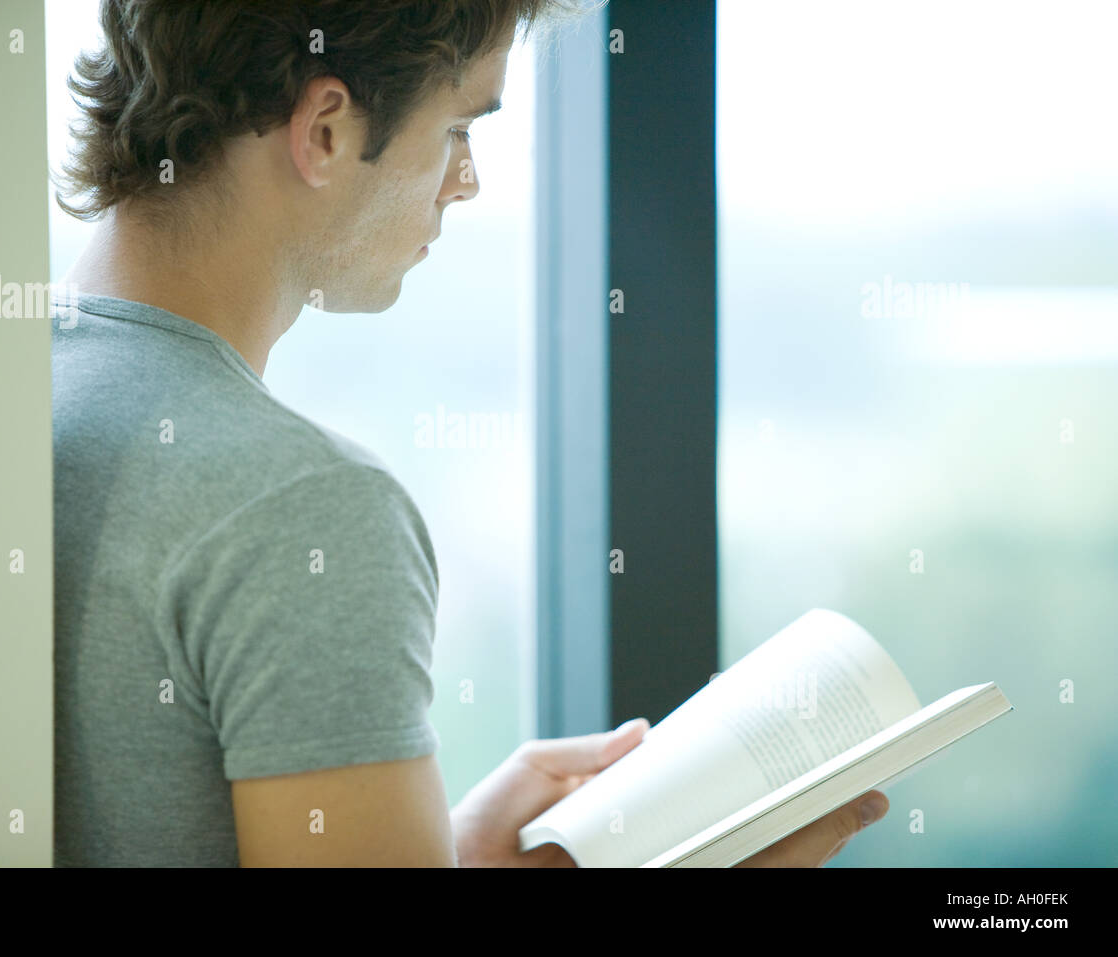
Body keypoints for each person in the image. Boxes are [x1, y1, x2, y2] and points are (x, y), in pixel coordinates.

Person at [51, 0, 888, 867]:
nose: (468, 179)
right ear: (327, 132)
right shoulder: (303, 508)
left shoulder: (8, 397)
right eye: (458, 127)